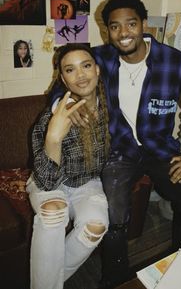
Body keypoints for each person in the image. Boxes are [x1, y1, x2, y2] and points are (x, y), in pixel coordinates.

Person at [51, 0, 181, 288]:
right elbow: (61, 84)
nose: (123, 33)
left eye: (130, 24)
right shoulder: (99, 59)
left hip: (161, 150)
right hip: (119, 151)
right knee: (114, 215)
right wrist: (62, 108)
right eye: (115, 27)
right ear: (107, 31)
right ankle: (115, 279)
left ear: (143, 24)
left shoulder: (174, 62)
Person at [26, 43, 110, 289]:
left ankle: (47, 279)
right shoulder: (52, 116)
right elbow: (46, 181)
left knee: (96, 227)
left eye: (86, 66)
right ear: (62, 78)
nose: (81, 75)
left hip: (87, 182)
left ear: (97, 69)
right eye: (70, 70)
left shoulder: (110, 107)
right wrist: (54, 137)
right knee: (53, 212)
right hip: (49, 182)